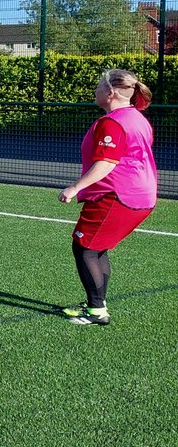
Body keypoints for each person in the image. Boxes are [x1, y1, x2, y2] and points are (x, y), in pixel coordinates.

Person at [57, 69, 157, 326]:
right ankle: (96, 303)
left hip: (116, 196)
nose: (95, 90)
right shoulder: (137, 117)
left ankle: (96, 311)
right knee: (96, 248)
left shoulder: (112, 122)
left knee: (85, 248)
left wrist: (74, 188)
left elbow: (107, 162)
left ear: (110, 92)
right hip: (139, 195)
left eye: (99, 86)